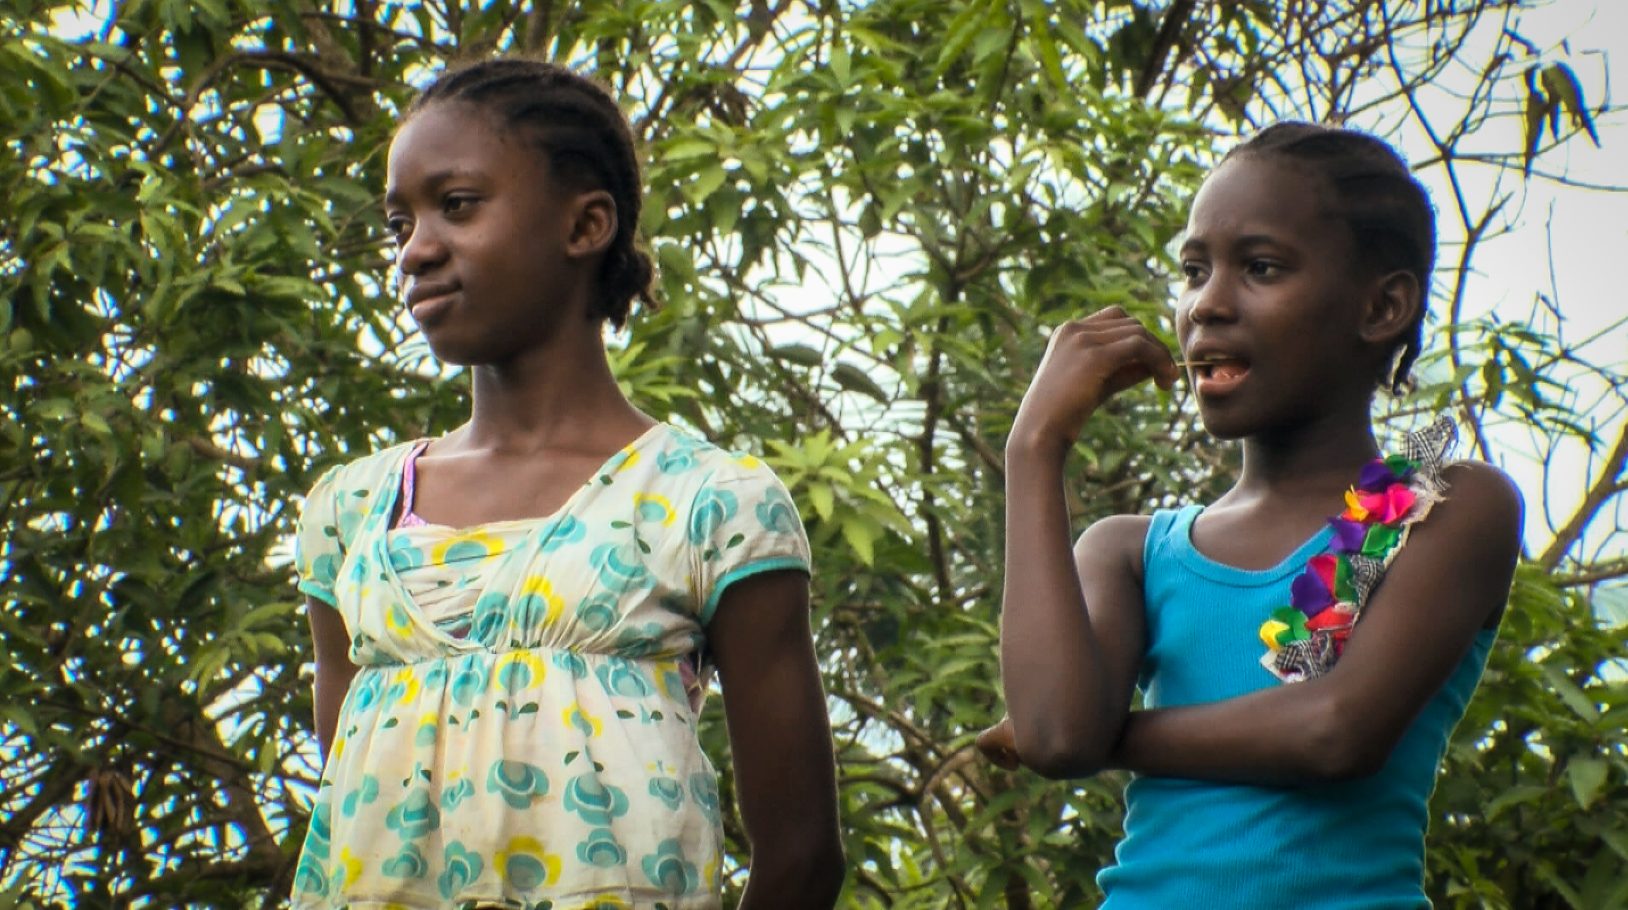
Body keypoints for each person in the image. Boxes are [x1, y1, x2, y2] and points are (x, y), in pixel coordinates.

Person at [290, 58, 843, 910]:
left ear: (585, 226)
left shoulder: (708, 505)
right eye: (400, 221)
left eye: (458, 205)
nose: (416, 250)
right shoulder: (352, 516)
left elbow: (802, 857)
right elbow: (348, 811)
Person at [978, 122, 1522, 907]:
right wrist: (1033, 446)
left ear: (1382, 306)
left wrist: (1113, 738)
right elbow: (1059, 737)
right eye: (1193, 270)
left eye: (1260, 268)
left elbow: (1335, 731)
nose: (1208, 304)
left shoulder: (1431, 503)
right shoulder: (1132, 552)